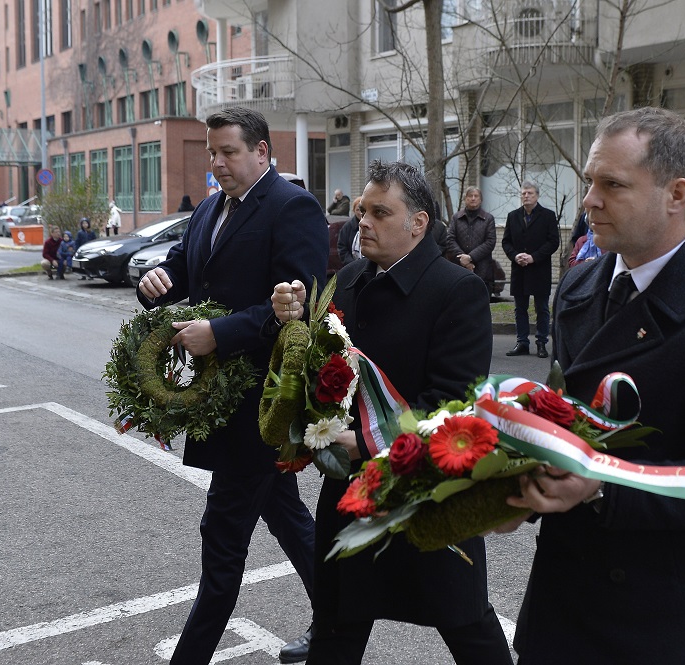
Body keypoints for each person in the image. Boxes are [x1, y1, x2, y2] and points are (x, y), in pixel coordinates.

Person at [494, 106, 685, 664]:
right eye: (590, 182)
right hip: (564, 605)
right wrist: (509, 492)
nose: (589, 201)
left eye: (612, 185)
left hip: (664, 621)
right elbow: (564, 425)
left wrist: (599, 487)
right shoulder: (580, 284)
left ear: (676, 194)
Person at [272, 161, 511, 665]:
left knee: (465, 623)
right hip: (352, 491)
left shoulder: (457, 290)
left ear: (417, 223)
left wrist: (367, 442)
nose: (363, 222)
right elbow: (325, 370)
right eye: (363, 210)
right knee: (337, 620)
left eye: (380, 213)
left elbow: (454, 400)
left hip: (424, 487)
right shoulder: (349, 279)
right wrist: (292, 324)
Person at [136, 107, 328, 665]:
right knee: (287, 517)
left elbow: (300, 305)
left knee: (221, 540)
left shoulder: (292, 207)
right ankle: (339, 617)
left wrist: (219, 334)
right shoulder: (210, 208)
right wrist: (156, 282)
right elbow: (185, 268)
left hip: (262, 407)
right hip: (220, 402)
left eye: (229, 152)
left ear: (262, 152)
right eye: (212, 152)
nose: (217, 163)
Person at [502, 181, 559, 358]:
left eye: (530, 193)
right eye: (523, 193)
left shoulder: (548, 216)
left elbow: (553, 242)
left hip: (539, 269)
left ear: (537, 196)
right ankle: (522, 342)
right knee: (520, 308)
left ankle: (541, 342)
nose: (526, 196)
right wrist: (515, 256)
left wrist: (534, 257)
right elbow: (506, 242)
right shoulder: (513, 216)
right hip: (519, 269)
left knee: (542, 308)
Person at [447, 186, 497, 296]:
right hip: (459, 270)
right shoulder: (456, 218)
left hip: (483, 271)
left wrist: (470, 257)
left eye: (476, 196)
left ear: (481, 199)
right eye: (470, 196)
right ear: (465, 199)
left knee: (481, 303)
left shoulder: (488, 219)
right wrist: (463, 259)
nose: (473, 198)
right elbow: (450, 239)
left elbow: (490, 242)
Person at [337, 196, 363, 265]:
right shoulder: (347, 227)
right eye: (358, 210)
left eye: (362, 210)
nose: (360, 213)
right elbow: (342, 248)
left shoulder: (373, 225)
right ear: (353, 210)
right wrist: (352, 264)